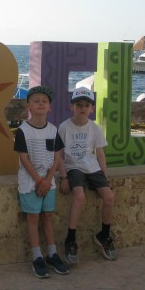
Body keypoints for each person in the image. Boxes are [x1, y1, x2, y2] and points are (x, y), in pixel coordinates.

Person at [14, 85, 70, 278]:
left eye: (44, 101)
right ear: (28, 106)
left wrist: (48, 180)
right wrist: (39, 181)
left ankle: (52, 254)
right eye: (36, 101)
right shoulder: (23, 131)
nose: (40, 104)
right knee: (33, 218)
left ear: (50, 107)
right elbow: (24, 159)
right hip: (30, 183)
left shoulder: (53, 130)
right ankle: (37, 257)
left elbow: (56, 157)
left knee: (47, 216)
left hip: (49, 183)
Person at [57, 86, 116, 264]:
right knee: (80, 196)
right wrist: (64, 177)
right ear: (71, 107)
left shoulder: (95, 128)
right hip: (73, 167)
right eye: (78, 104)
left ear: (92, 108)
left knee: (109, 197)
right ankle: (71, 239)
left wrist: (104, 176)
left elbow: (100, 154)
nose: (82, 108)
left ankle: (104, 235)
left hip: (92, 167)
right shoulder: (64, 127)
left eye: (86, 105)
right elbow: (58, 154)